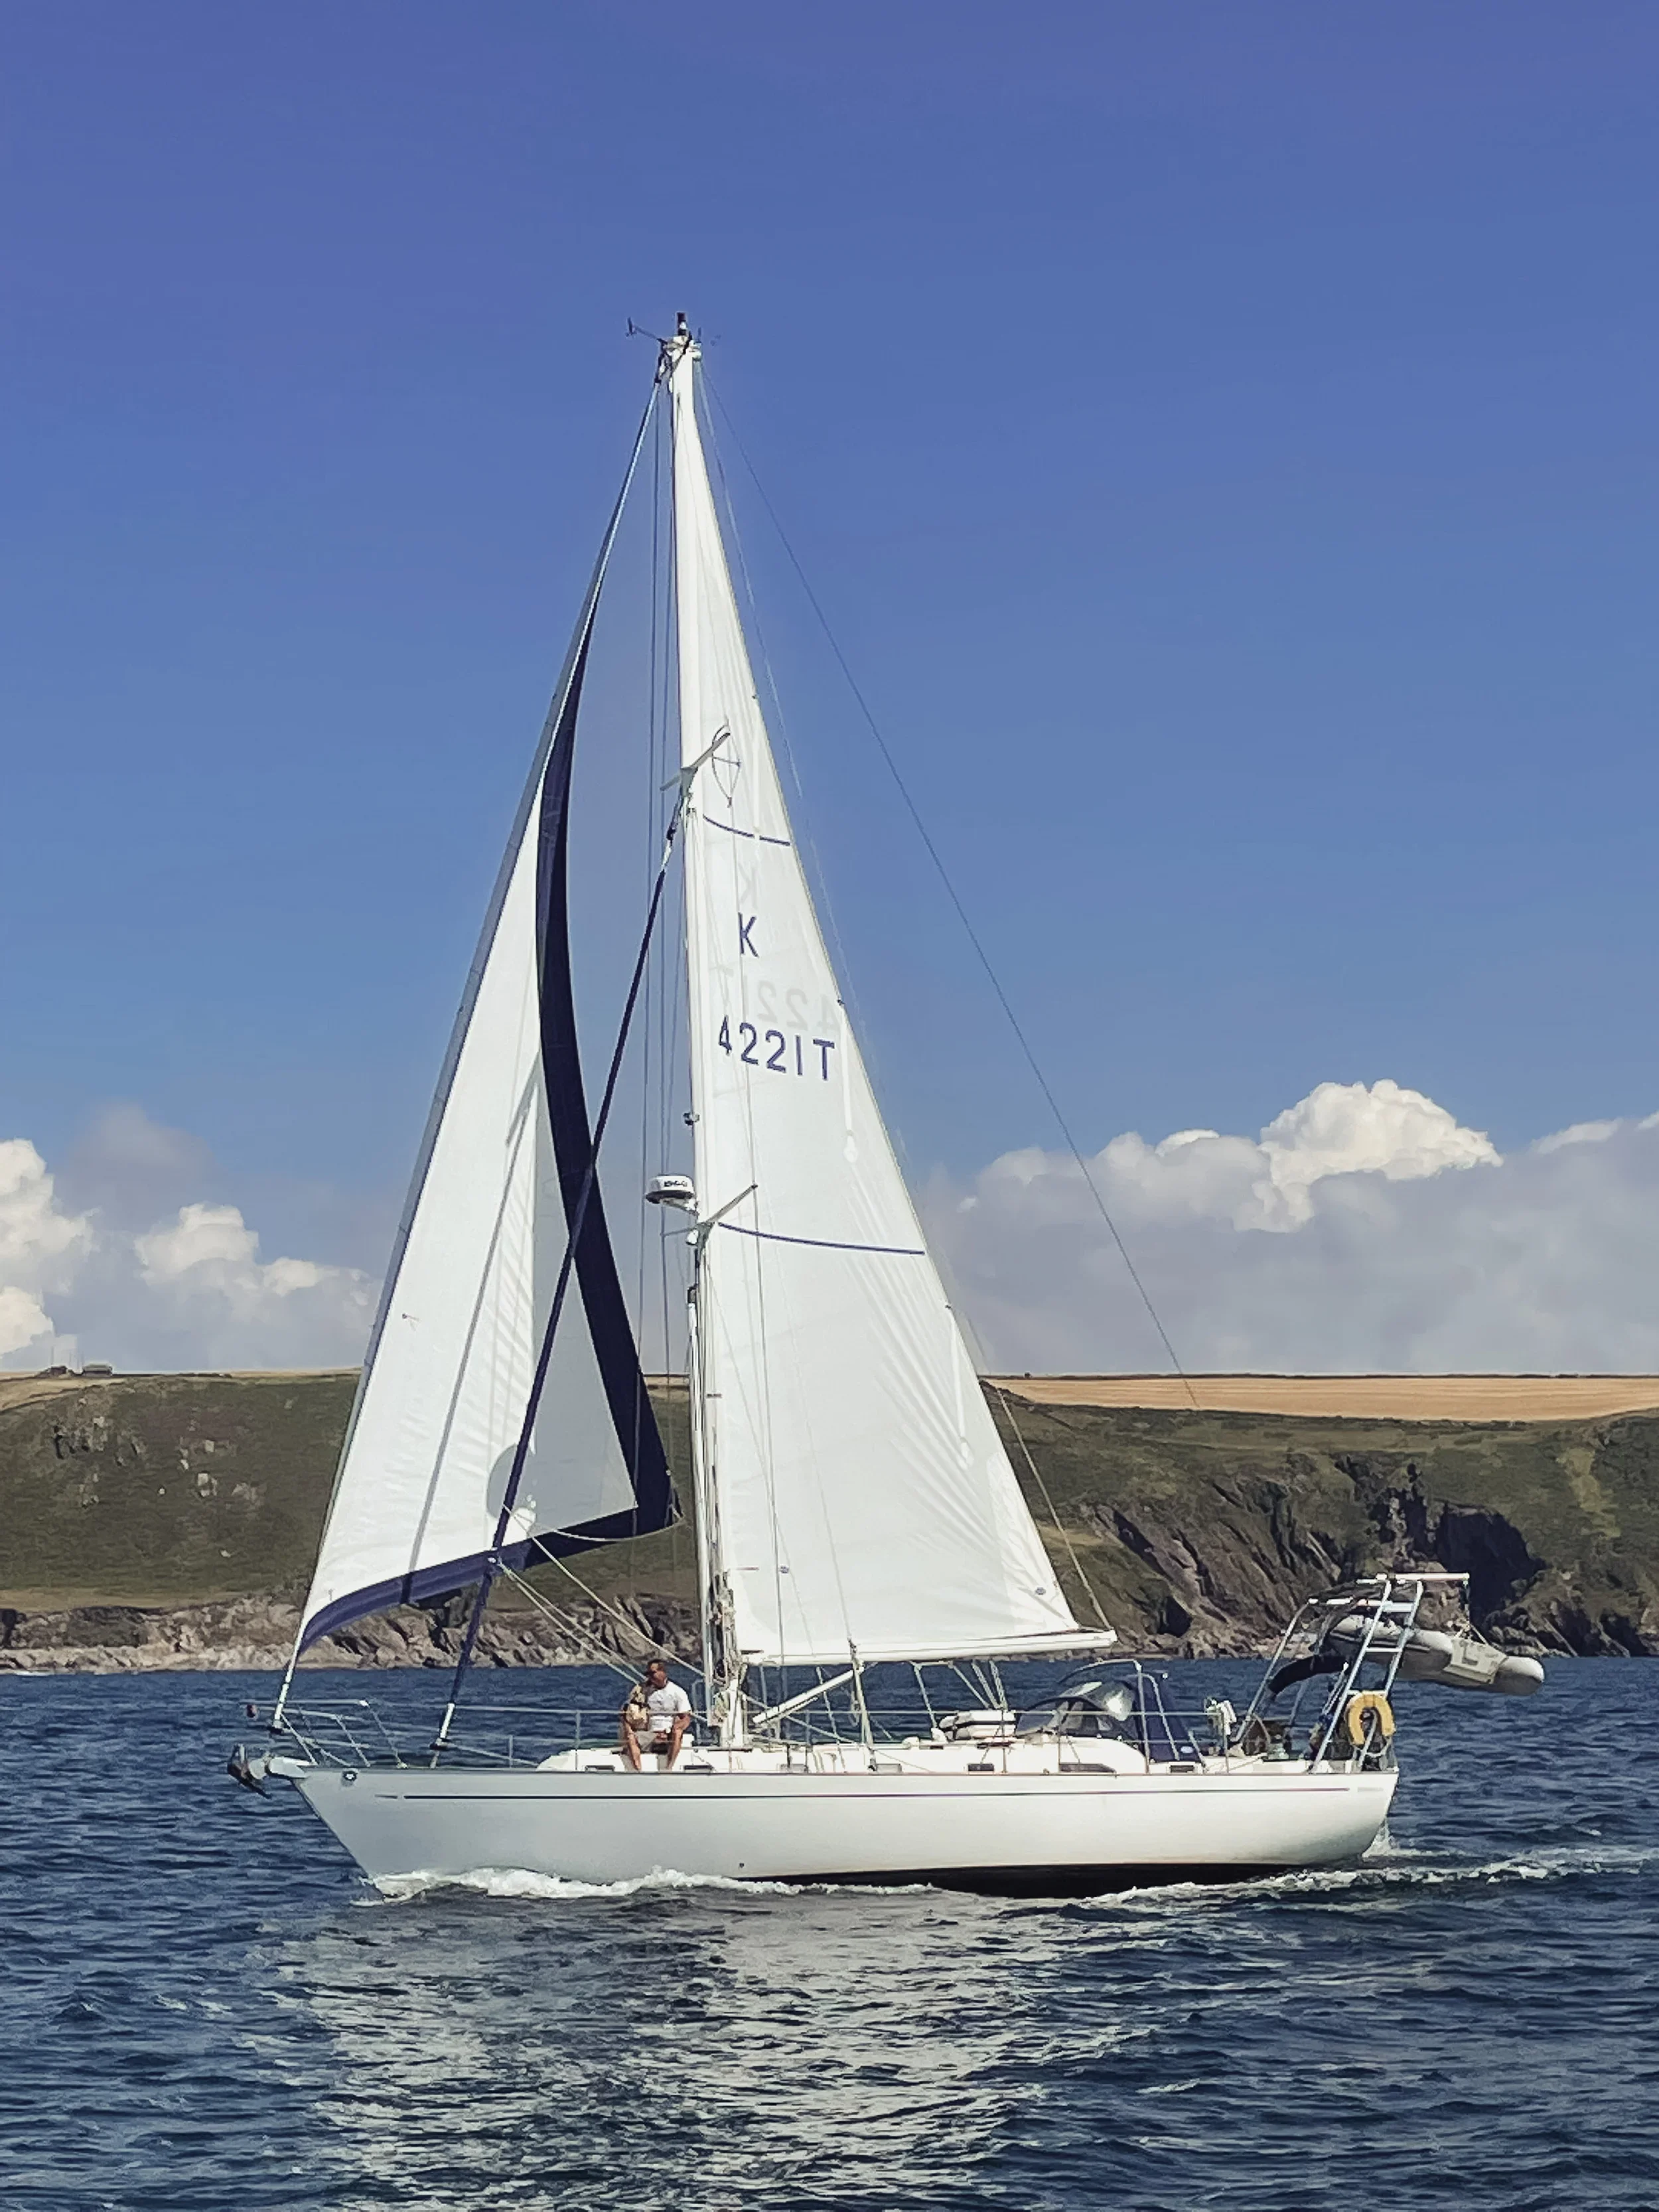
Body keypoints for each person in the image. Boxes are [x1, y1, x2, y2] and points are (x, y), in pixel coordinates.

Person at [620, 1659, 692, 1771]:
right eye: (648, 1674)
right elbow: (627, 1711)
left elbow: (686, 1719)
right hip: (650, 1733)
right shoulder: (642, 1691)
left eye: (652, 1673)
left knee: (678, 1733)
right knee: (631, 1737)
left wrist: (674, 1728)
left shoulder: (677, 1692)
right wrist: (629, 1729)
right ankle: (638, 1771)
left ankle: (669, 1768)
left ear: (663, 1673)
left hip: (668, 1734)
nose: (650, 1677)